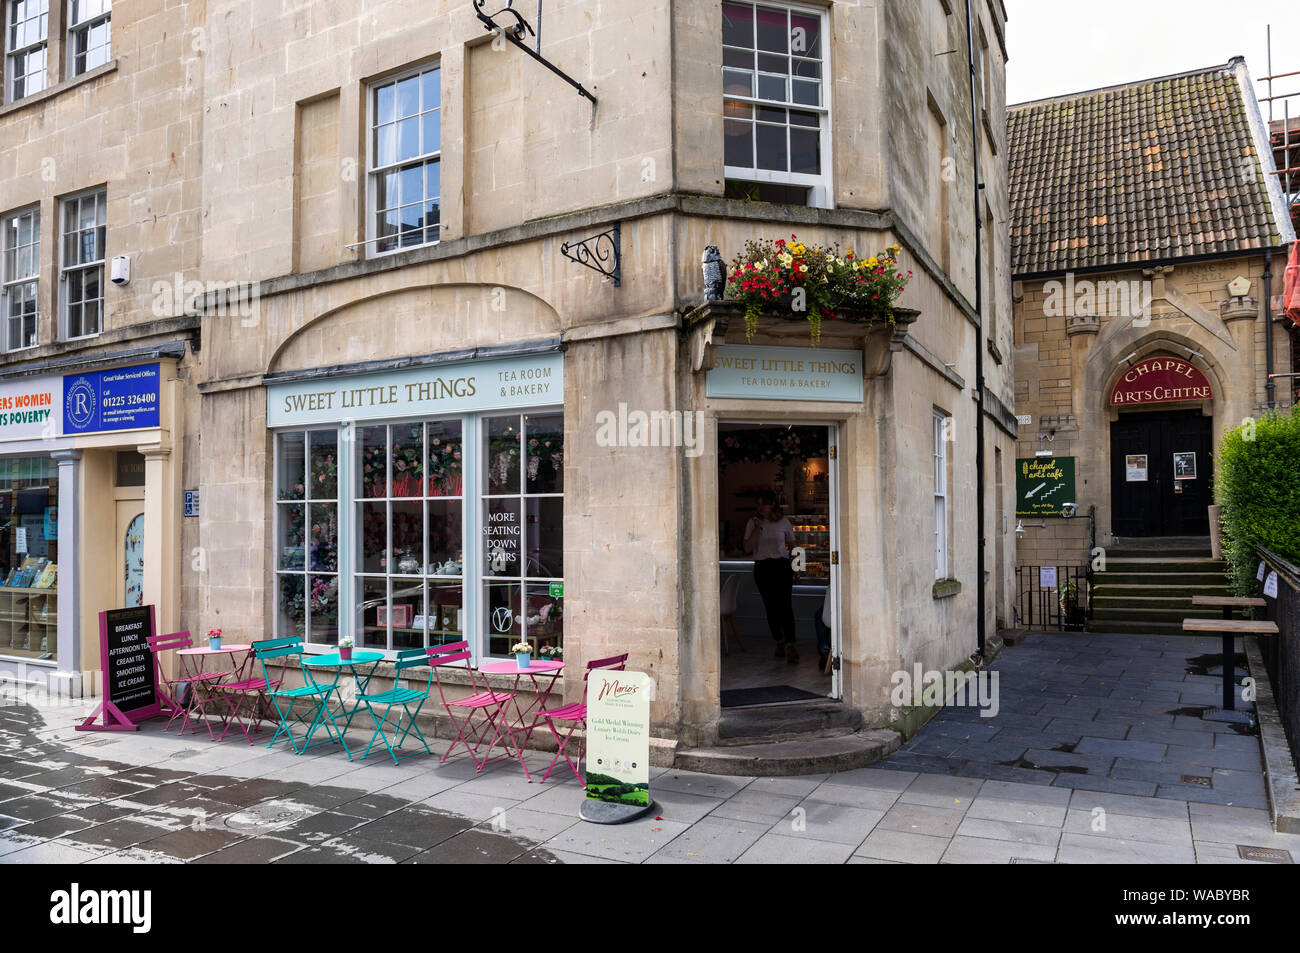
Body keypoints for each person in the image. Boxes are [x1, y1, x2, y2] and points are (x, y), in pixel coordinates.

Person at [744, 491, 799, 663]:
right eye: (758, 504)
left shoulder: (784, 522)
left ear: (772, 504)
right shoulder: (752, 523)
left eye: (764, 503)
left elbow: (794, 544)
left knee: (785, 606)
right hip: (763, 567)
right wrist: (757, 529)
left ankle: (791, 645)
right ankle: (779, 641)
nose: (761, 507)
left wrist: (798, 567)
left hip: (781, 566)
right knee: (771, 607)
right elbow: (747, 548)